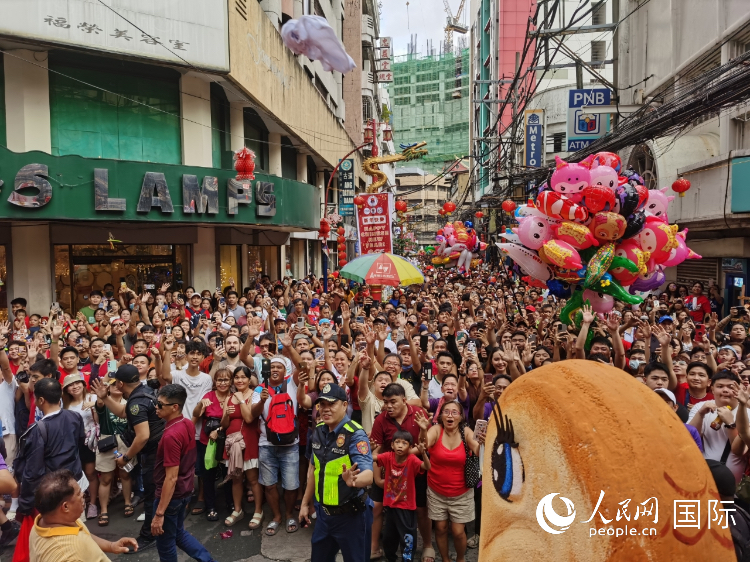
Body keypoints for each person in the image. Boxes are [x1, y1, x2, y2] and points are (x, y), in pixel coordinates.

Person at [91, 365, 165, 553]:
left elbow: (142, 436)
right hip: (159, 451)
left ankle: (150, 535)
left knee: (151, 495)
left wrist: (126, 457)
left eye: (117, 383)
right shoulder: (145, 391)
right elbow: (123, 413)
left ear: (122, 383)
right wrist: (105, 397)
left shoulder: (136, 403)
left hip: (154, 454)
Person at [299, 383, 374, 562]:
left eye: (331, 404)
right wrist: (304, 504)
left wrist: (354, 480)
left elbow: (368, 474)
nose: (326, 409)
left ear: (344, 405)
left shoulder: (355, 435)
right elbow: (314, 470)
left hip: (352, 517)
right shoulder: (318, 431)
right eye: (322, 405)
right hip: (324, 516)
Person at [13, 378, 85, 562]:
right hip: (75, 485)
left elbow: (33, 472)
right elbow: (80, 444)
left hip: (53, 493)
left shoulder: (38, 429)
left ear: (40, 400)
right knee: (79, 533)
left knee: (57, 543)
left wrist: (26, 504)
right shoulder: (74, 417)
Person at [151, 384, 216, 562]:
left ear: (175, 407)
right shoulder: (186, 423)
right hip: (184, 491)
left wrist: (159, 514)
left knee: (165, 545)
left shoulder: (171, 435)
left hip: (172, 495)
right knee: (179, 534)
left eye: (160, 404)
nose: (156, 407)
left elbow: (171, 477)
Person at [415, 401, 483, 562]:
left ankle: (460, 559)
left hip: (462, 493)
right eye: (446, 412)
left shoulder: (466, 431)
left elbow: (478, 451)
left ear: (460, 417)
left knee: (458, 531)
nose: (450, 415)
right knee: (440, 528)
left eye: (454, 412)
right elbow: (424, 445)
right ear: (441, 415)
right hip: (436, 491)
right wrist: (423, 430)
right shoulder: (436, 430)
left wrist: (484, 443)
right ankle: (445, 559)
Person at [28, 470, 136, 561]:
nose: (83, 494)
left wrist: (111, 546)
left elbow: (84, 534)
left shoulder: (48, 521)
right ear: (65, 507)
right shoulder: (67, 555)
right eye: (79, 493)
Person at [251, 356, 300, 535]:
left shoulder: (292, 384)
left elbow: (301, 367)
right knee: (270, 485)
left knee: (291, 484)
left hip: (290, 444)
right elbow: (252, 414)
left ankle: (289, 515)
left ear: (285, 371)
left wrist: (288, 349)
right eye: (272, 367)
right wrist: (263, 400)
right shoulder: (259, 389)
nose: (275, 369)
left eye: (279, 366)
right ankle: (276, 516)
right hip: (266, 443)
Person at [373, 429, 430, 562]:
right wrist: (372, 450)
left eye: (404, 443)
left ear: (410, 447)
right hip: (390, 505)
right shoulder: (388, 457)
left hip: (406, 506)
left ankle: (407, 559)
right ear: (392, 445)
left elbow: (427, 467)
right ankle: (391, 558)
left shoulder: (412, 459)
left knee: (407, 537)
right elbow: (372, 458)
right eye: (397, 442)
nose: (400, 445)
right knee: (388, 537)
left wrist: (423, 453)